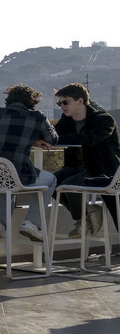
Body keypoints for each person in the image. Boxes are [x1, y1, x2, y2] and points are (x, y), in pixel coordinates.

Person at [0, 85, 58, 241]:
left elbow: (5, 136)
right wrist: (35, 139)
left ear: (8, 99)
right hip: (14, 174)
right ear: (32, 103)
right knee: (51, 179)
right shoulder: (36, 117)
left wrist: (32, 140)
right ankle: (32, 223)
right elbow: (52, 139)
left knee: (4, 176)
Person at [51, 83, 120, 233]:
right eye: (59, 103)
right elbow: (53, 135)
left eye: (65, 102)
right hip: (76, 167)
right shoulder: (67, 120)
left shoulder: (103, 119)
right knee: (51, 182)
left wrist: (57, 140)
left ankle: (85, 217)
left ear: (80, 101)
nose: (62, 106)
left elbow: (89, 139)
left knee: (70, 185)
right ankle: (87, 214)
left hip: (102, 170)